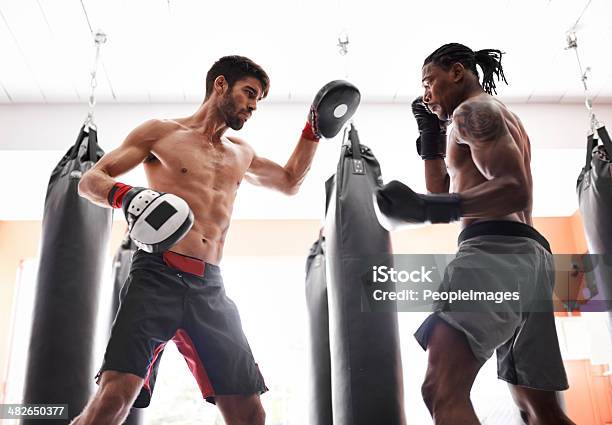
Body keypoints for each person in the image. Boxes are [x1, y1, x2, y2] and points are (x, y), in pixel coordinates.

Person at [73, 55, 326, 425]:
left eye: (259, 99)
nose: (254, 106)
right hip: (155, 276)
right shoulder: (161, 133)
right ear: (220, 85)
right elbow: (89, 181)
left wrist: (313, 131)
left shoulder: (241, 153)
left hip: (209, 285)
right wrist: (126, 196)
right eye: (249, 93)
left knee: (250, 412)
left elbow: (289, 181)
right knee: (113, 401)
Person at [374, 43, 575, 425]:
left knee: (441, 388)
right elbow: (442, 190)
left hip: (494, 251)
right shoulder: (491, 117)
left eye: (429, 81)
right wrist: (430, 136)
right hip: (527, 258)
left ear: (457, 71)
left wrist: (426, 209)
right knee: (539, 410)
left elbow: (514, 188)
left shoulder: (473, 111)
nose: (425, 93)